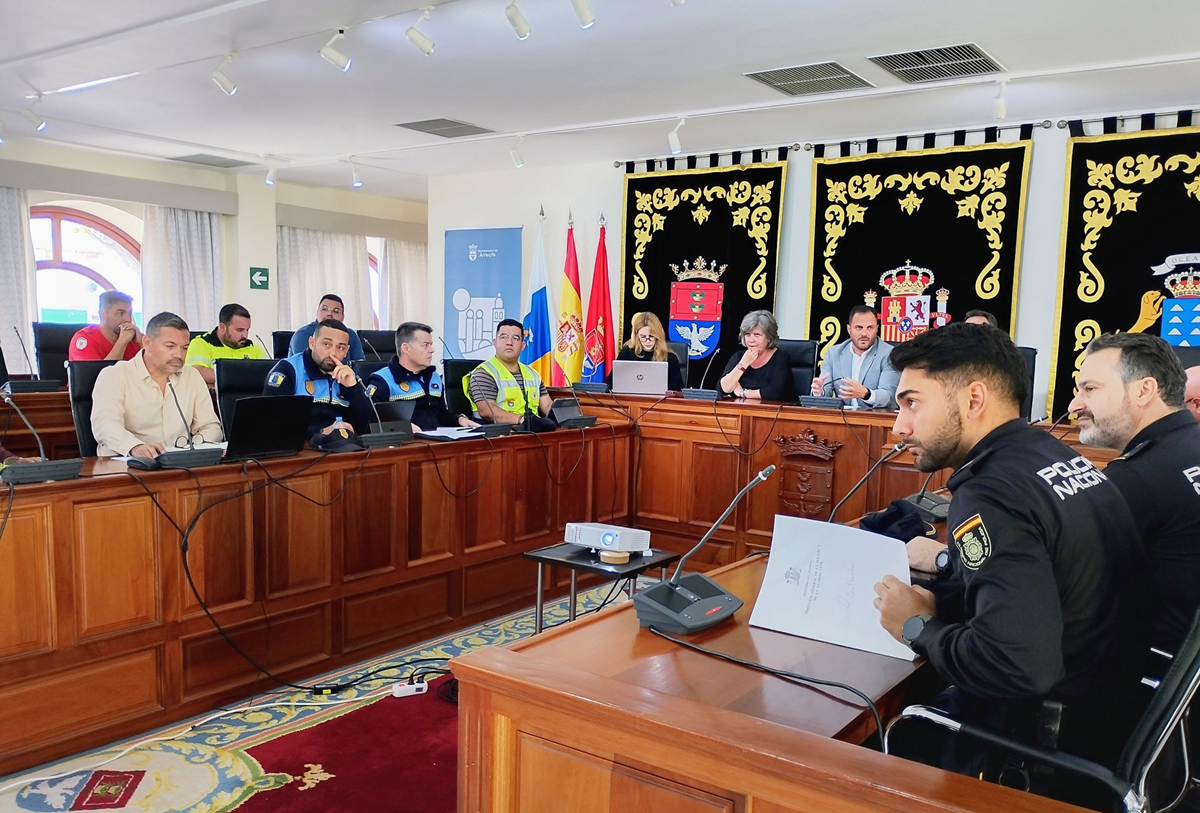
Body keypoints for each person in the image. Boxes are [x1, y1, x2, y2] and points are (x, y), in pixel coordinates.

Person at [874, 323, 1144, 795]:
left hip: (1043, 752)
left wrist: (917, 627)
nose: (899, 425)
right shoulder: (1053, 455)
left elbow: (1017, 666)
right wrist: (946, 600)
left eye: (912, 402)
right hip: (1111, 716)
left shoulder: (991, 491)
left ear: (973, 400)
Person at [1070, 333, 1200, 654]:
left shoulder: (1137, 478)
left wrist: (945, 563)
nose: (1075, 405)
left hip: (1141, 680)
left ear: (1144, 390)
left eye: (1090, 389)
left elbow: (1054, 584)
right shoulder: (1189, 448)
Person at [90, 312, 224, 458]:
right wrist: (135, 447)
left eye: (184, 348)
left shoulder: (191, 376)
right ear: (147, 343)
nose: (179, 355)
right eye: (170, 346)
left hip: (179, 465)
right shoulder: (114, 376)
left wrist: (192, 448)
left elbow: (211, 426)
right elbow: (105, 426)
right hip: (127, 466)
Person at [265, 318, 372, 439]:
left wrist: (354, 389)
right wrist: (320, 432)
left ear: (347, 351)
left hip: (341, 447)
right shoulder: (287, 371)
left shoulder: (346, 375)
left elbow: (366, 428)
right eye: (326, 344)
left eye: (340, 348)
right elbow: (275, 426)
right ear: (312, 343)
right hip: (300, 449)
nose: (333, 353)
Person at [368, 321, 478, 432]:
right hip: (405, 444)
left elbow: (442, 415)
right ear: (406, 348)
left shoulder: (433, 377)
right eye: (425, 345)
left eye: (431, 344)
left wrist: (459, 419)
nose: (432, 350)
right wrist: (402, 426)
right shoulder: (382, 380)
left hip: (436, 441)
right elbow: (371, 422)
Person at [811, 305, 899, 409]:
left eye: (870, 328)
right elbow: (826, 391)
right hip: (842, 419)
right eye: (859, 328)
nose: (864, 333)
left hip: (876, 419)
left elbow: (888, 395)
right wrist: (820, 392)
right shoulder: (834, 353)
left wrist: (866, 394)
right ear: (849, 329)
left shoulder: (889, 354)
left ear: (877, 329)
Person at [466, 318, 552, 424]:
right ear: (495, 342)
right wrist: (522, 420)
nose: (509, 342)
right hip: (497, 435)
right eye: (503, 337)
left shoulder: (533, 374)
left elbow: (547, 405)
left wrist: (564, 414)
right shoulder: (483, 373)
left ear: (523, 346)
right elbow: (487, 411)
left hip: (532, 431)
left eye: (515, 338)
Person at [719, 310, 794, 401]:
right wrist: (743, 363)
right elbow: (723, 388)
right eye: (747, 334)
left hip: (771, 411)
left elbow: (775, 392)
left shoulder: (781, 357)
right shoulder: (738, 357)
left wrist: (742, 392)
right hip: (740, 411)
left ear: (769, 337)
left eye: (757, 335)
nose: (751, 340)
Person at [186, 303, 268, 386]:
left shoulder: (252, 346)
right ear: (222, 327)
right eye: (240, 330)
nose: (245, 335)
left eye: (247, 330)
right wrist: (242, 375)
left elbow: (270, 371)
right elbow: (197, 372)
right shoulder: (202, 343)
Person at [615, 312, 684, 391]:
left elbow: (678, 391)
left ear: (658, 335)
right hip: (630, 400)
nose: (647, 341)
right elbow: (612, 383)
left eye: (651, 336)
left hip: (660, 402)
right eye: (643, 337)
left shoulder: (670, 358)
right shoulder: (627, 352)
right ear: (636, 335)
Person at [69, 291, 142, 362]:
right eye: (120, 313)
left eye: (129, 313)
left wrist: (142, 343)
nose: (128, 319)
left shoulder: (134, 338)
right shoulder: (85, 339)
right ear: (103, 314)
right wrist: (122, 342)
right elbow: (98, 373)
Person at [288, 295, 365, 362]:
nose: (329, 314)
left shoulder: (350, 335)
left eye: (336, 311)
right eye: (324, 309)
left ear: (343, 317)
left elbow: (359, 365)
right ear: (317, 312)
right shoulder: (303, 334)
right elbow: (306, 366)